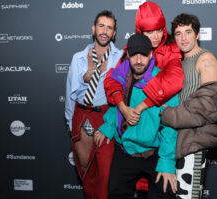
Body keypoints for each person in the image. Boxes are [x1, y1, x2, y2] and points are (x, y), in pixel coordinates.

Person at [104, 1, 184, 192]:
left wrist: (140, 106)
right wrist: (120, 111)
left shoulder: (171, 52)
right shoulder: (131, 53)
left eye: (158, 30)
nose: (155, 36)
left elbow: (173, 84)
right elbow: (113, 83)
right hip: (128, 144)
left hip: (156, 142)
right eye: (149, 32)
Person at [160, 13, 217, 199]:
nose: (183, 38)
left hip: (195, 139)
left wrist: (167, 115)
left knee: (187, 195)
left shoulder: (205, 59)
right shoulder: (179, 61)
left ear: (197, 34)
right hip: (179, 137)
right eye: (178, 34)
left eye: (188, 32)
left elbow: (207, 106)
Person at [94, 33, 179, 199]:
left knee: (164, 194)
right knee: (114, 193)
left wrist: (167, 161)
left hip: (154, 152)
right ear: (127, 55)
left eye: (143, 55)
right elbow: (115, 106)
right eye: (134, 55)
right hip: (125, 150)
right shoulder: (121, 76)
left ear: (151, 54)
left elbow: (171, 126)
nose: (139, 60)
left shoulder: (163, 80)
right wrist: (109, 126)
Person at [65, 10, 123, 199]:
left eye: (109, 27)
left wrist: (112, 123)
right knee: (86, 171)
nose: (105, 31)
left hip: (105, 117)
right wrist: (87, 76)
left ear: (114, 33)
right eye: (101, 26)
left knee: (105, 173)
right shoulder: (78, 58)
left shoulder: (120, 57)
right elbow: (70, 94)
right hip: (81, 115)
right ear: (93, 29)